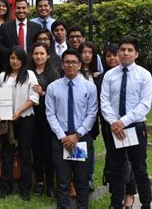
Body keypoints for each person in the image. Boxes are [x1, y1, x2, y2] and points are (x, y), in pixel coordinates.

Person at [101, 36, 152, 209]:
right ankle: (116, 204)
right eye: (122, 49)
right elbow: (105, 102)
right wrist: (114, 123)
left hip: (135, 127)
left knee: (139, 168)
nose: (125, 53)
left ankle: (146, 203)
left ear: (136, 54)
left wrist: (122, 122)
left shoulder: (144, 75)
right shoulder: (109, 75)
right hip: (114, 128)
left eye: (130, 50)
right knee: (115, 169)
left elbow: (144, 104)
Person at [46, 49, 98, 209]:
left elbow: (92, 113)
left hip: (80, 139)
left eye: (74, 62)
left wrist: (77, 135)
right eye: (67, 62)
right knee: (62, 181)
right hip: (61, 139)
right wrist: (63, 137)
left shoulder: (89, 87)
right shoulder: (53, 87)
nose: (70, 65)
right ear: (62, 65)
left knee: (82, 181)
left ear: (80, 65)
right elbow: (50, 114)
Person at [97, 44, 137, 208]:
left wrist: (122, 122)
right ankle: (116, 197)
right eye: (108, 56)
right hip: (109, 126)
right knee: (114, 162)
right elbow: (101, 102)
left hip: (129, 124)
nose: (112, 58)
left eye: (114, 55)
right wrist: (112, 123)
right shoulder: (101, 78)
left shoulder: (132, 74)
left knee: (129, 160)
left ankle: (129, 193)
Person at [0, 46, 39, 201]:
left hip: (25, 119)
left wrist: (19, 111)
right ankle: (6, 187)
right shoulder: (3, 76)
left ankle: (25, 188)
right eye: (12, 58)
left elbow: (34, 98)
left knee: (25, 154)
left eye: (18, 58)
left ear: (23, 60)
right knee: (6, 153)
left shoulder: (29, 75)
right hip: (7, 121)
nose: (15, 61)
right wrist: (0, 113)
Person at [29, 42, 60, 198]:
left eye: (42, 53)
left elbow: (58, 98)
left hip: (48, 116)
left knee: (48, 151)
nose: (39, 56)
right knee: (36, 150)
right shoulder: (27, 72)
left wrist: (43, 92)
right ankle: (39, 181)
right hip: (31, 115)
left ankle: (49, 183)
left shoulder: (53, 73)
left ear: (48, 55)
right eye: (36, 53)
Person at [0, 0, 42, 69]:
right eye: (18, 8)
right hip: (10, 66)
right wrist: (11, 54)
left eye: (24, 8)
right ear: (14, 10)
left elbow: (40, 46)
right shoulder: (5, 27)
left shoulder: (36, 27)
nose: (21, 10)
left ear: (28, 10)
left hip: (31, 65)